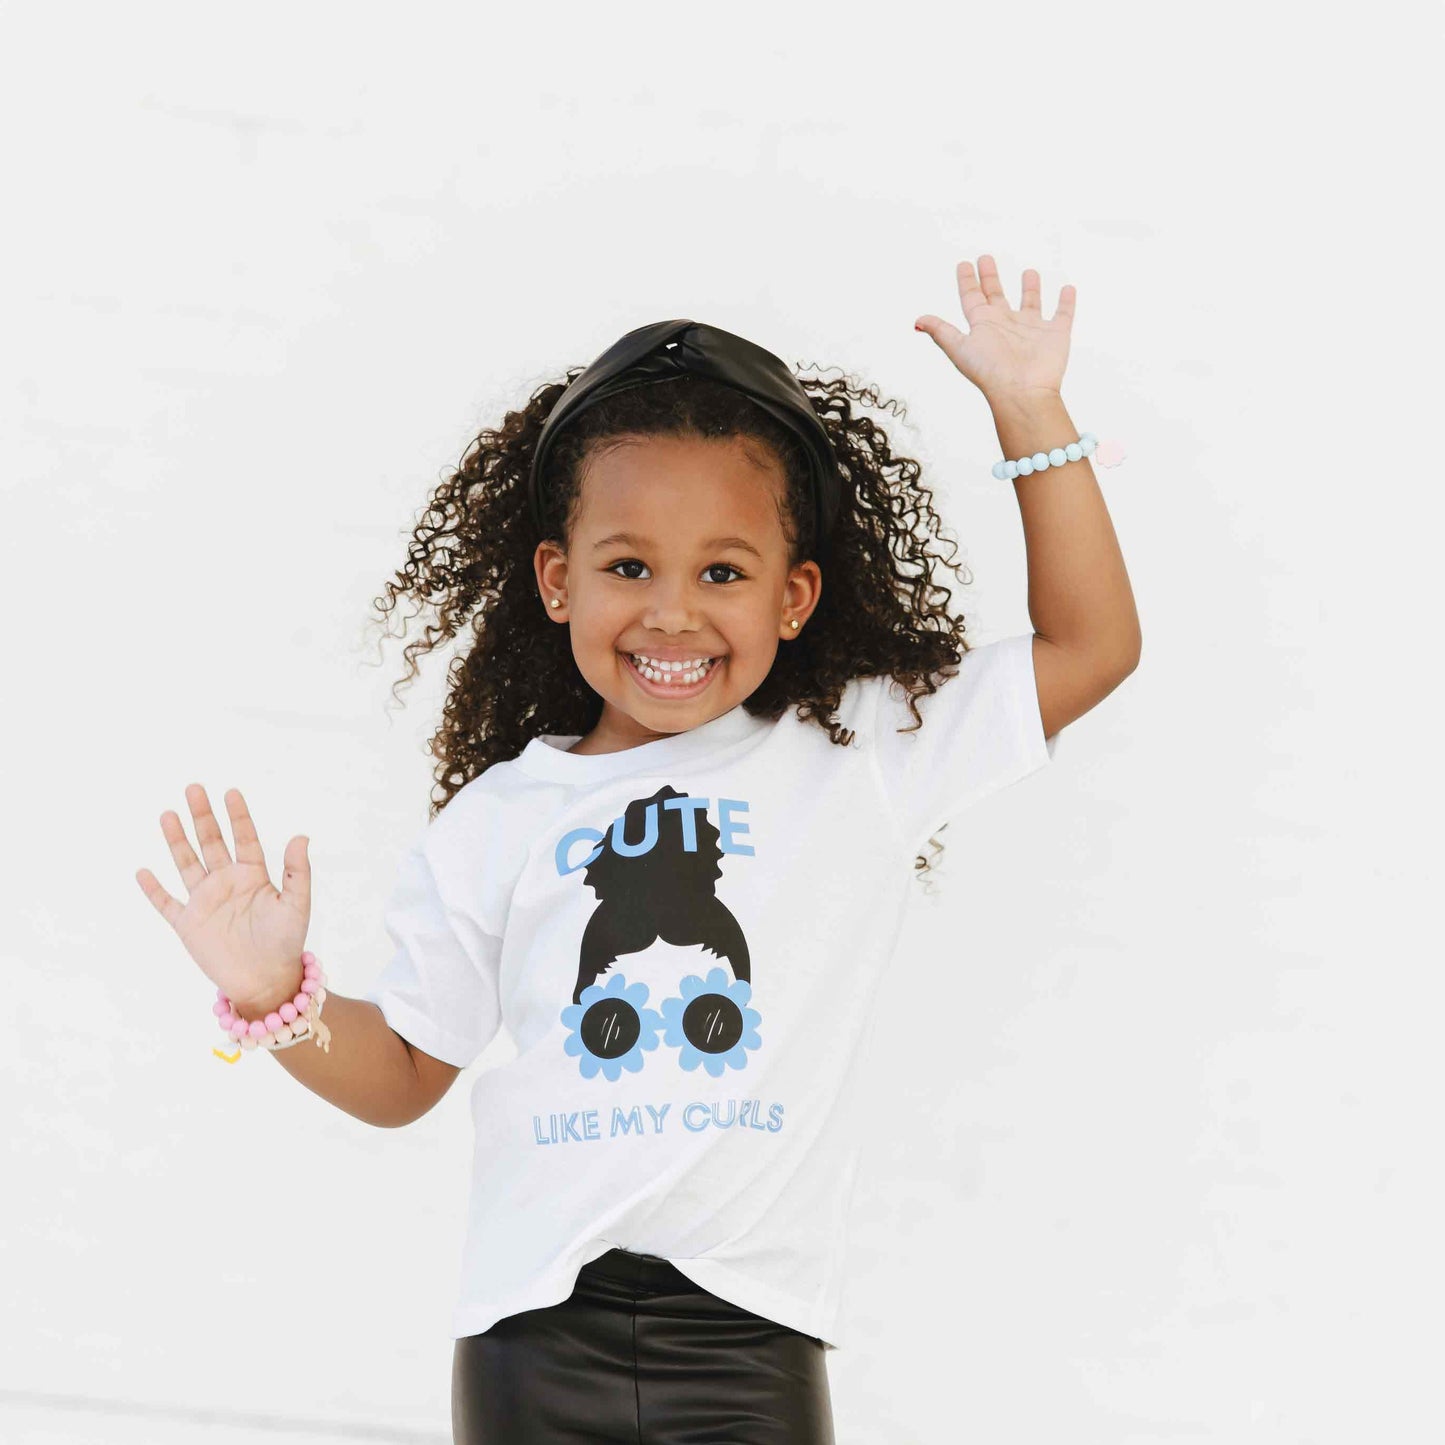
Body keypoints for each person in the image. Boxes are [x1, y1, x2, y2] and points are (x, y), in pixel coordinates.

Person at [136, 254, 1142, 1444]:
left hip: (748, 1337)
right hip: (530, 1337)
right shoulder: (501, 818)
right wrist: (275, 996)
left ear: (795, 594)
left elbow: (1091, 647)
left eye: (723, 570)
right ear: (556, 581)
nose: (671, 611)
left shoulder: (862, 751)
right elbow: (405, 1071)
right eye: (627, 567)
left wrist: (1030, 411)